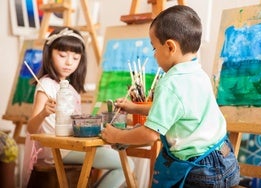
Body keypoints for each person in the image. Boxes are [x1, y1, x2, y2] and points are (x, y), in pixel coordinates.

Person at [101, 5, 240, 188]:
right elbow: (175, 109)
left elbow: (150, 134)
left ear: (169, 47)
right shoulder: (198, 73)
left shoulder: (171, 82)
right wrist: (134, 108)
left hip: (199, 171)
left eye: (154, 48)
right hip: (226, 161)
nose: (154, 55)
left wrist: (117, 135)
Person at [22, 27, 134, 188]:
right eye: (62, 55)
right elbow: (31, 128)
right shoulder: (46, 85)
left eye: (75, 58)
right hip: (58, 150)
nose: (69, 62)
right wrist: (44, 113)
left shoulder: (72, 90)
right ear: (49, 54)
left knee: (122, 161)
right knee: (126, 164)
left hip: (70, 146)